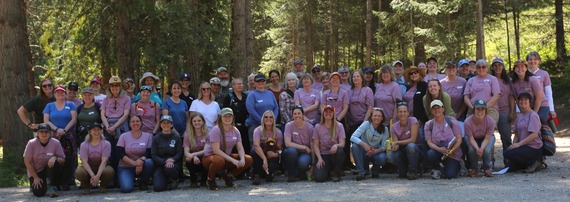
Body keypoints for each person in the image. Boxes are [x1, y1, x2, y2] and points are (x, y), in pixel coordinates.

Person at [202, 108, 253, 190]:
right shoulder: (216, 129)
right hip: (211, 158)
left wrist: (242, 159)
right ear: (220, 118)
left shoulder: (235, 130)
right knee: (219, 160)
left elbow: (240, 147)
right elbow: (216, 150)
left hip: (226, 157)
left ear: (233, 118)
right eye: (225, 116)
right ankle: (210, 179)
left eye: (230, 116)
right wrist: (233, 161)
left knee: (248, 159)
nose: (227, 118)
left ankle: (228, 176)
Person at [43, 85, 77, 190]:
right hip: (54, 135)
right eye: (57, 92)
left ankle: (69, 180)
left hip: (68, 135)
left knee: (69, 157)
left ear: (65, 94)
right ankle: (55, 181)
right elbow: (46, 120)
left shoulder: (70, 104)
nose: (60, 94)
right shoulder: (49, 105)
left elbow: (74, 119)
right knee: (54, 156)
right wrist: (57, 129)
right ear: (54, 94)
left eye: (62, 92)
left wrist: (65, 130)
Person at [504, 93, 543, 173]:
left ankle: (534, 162)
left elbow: (534, 135)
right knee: (508, 168)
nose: (523, 101)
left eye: (525, 99)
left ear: (530, 102)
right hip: (523, 147)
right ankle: (526, 164)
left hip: (534, 147)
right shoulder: (519, 116)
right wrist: (513, 145)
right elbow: (517, 134)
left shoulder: (533, 115)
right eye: (521, 100)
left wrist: (519, 144)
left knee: (508, 153)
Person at [24, 124, 65, 197]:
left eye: (46, 132)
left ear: (50, 134)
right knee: (38, 193)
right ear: (37, 134)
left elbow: (62, 160)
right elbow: (27, 162)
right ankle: (40, 185)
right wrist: (35, 178)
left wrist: (55, 157)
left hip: (50, 169)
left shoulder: (56, 143)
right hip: (36, 171)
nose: (44, 133)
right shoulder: (31, 143)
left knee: (55, 161)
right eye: (41, 132)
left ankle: (53, 186)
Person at [424, 100, 462, 179]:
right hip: (438, 151)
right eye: (434, 108)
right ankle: (437, 168)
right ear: (431, 111)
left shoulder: (451, 121)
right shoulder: (428, 124)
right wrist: (439, 149)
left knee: (449, 175)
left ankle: (459, 165)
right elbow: (429, 142)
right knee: (430, 154)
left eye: (439, 108)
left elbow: (459, 139)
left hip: (452, 152)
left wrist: (452, 150)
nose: (437, 110)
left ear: (443, 109)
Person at [117, 115, 154, 193]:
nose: (135, 123)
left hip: (142, 164)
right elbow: (120, 153)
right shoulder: (123, 136)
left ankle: (143, 183)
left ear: (141, 123)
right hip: (126, 166)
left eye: (137, 121)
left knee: (149, 162)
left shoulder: (148, 136)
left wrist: (141, 161)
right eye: (132, 121)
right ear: (129, 124)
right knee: (126, 189)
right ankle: (130, 179)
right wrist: (135, 164)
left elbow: (149, 152)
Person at [350, 108, 389, 181]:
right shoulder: (366, 124)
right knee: (355, 146)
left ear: (382, 118)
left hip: (375, 152)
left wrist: (375, 151)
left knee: (382, 157)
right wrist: (365, 145)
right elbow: (353, 137)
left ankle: (375, 169)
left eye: (379, 116)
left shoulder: (385, 129)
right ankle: (361, 172)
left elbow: (384, 146)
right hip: (364, 151)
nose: (376, 118)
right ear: (371, 117)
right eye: (375, 115)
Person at [346, 70, 374, 169]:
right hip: (352, 122)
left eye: (358, 76)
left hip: (364, 122)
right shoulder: (349, 91)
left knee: (364, 145)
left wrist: (364, 122)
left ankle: (365, 167)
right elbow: (346, 107)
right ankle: (359, 168)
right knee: (355, 145)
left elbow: (370, 107)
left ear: (362, 78)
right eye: (354, 77)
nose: (355, 78)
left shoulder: (367, 90)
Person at [76, 123, 114, 193]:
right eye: (94, 130)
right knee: (79, 172)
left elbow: (104, 162)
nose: (96, 132)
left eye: (98, 130)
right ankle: (86, 186)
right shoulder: (84, 145)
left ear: (101, 131)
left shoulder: (106, 144)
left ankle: (103, 186)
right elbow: (84, 162)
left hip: (102, 167)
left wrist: (98, 176)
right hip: (88, 168)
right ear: (90, 132)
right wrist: (93, 175)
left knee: (109, 171)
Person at [388, 101, 421, 180]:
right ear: (397, 113)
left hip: (416, 151)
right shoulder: (393, 127)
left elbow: (413, 140)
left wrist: (397, 142)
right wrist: (393, 146)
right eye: (400, 112)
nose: (402, 114)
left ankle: (413, 170)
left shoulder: (413, 120)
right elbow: (397, 145)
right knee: (390, 156)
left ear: (408, 113)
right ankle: (403, 170)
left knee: (411, 146)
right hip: (402, 150)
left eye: (404, 111)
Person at [313, 105, 346, 182]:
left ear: (334, 113)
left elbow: (342, 143)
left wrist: (336, 145)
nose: (328, 113)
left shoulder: (339, 126)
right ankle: (328, 171)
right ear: (323, 113)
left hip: (334, 154)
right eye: (326, 112)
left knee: (340, 151)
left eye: (330, 112)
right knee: (319, 178)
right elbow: (315, 145)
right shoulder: (318, 126)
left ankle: (336, 173)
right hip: (323, 155)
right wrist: (319, 159)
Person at [246, 73, 279, 148]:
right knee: (256, 149)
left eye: (262, 81)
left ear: (265, 82)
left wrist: (273, 120)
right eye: (258, 81)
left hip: (270, 127)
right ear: (254, 83)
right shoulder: (251, 95)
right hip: (255, 126)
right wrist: (263, 121)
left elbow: (276, 107)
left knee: (271, 147)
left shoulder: (270, 93)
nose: (260, 83)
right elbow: (251, 110)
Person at [251, 110, 283, 185]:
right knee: (254, 153)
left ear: (274, 119)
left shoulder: (278, 132)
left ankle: (268, 174)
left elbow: (280, 149)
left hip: (272, 154)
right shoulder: (257, 130)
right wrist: (264, 158)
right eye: (266, 117)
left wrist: (276, 154)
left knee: (273, 164)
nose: (268, 119)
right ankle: (256, 175)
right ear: (263, 119)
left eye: (271, 117)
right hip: (260, 154)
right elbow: (256, 145)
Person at [464, 100, 495, 177]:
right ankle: (474, 168)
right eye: (478, 109)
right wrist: (477, 149)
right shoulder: (467, 122)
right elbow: (471, 139)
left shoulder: (490, 121)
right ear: (474, 110)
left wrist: (481, 149)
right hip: (473, 138)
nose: (480, 111)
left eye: (482, 109)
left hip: (486, 137)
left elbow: (487, 138)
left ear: (485, 110)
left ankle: (487, 168)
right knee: (472, 150)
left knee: (487, 150)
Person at [152, 115, 183, 192]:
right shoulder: (156, 138)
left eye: (168, 123)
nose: (166, 125)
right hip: (161, 164)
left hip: (173, 164)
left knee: (169, 168)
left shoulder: (176, 137)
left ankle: (174, 179)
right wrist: (164, 161)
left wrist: (172, 160)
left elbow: (180, 153)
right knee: (158, 187)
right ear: (160, 124)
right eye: (163, 123)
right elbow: (153, 155)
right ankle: (165, 179)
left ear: (171, 124)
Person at [464, 59, 500, 124]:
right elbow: (466, 97)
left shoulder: (492, 79)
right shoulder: (471, 80)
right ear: (476, 68)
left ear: (487, 68)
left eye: (483, 67)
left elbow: (496, 95)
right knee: (470, 130)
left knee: (488, 130)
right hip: (473, 109)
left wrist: (484, 107)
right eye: (478, 67)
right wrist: (473, 108)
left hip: (489, 109)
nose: (481, 69)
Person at [490, 58, 515, 153]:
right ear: (492, 67)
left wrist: (512, 112)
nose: (497, 67)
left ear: (503, 66)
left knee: (506, 137)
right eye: (495, 65)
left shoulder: (509, 81)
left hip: (505, 111)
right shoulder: (489, 79)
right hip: (491, 111)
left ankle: (509, 160)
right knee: (489, 136)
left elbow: (511, 97)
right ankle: (490, 161)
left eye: (499, 65)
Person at [283, 106, 314, 182]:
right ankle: (291, 174)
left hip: (305, 154)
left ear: (303, 115)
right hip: (293, 151)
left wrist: (313, 164)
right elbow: (287, 143)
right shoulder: (288, 126)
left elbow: (312, 146)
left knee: (303, 163)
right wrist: (304, 147)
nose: (297, 116)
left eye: (299, 113)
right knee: (290, 151)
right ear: (292, 116)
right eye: (295, 114)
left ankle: (301, 172)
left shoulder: (310, 127)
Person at [526, 51, 555, 122]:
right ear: (527, 61)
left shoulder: (544, 74)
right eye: (530, 59)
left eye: (535, 59)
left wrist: (551, 109)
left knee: (539, 123)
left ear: (539, 61)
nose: (533, 61)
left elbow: (548, 93)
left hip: (543, 105)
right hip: (527, 105)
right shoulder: (523, 74)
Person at [223, 78, 250, 153]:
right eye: (237, 84)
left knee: (245, 147)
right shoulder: (229, 97)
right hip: (233, 127)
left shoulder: (246, 96)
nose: (239, 85)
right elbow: (225, 113)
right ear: (233, 85)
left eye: (241, 84)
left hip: (245, 126)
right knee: (234, 148)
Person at [183, 113, 209, 188]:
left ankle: (204, 181)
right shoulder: (187, 134)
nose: (197, 123)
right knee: (188, 158)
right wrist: (193, 156)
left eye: (199, 121)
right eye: (194, 121)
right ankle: (193, 181)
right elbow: (186, 152)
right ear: (191, 122)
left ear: (203, 122)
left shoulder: (208, 134)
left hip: (204, 156)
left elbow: (206, 151)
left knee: (207, 159)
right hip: (192, 158)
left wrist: (194, 155)